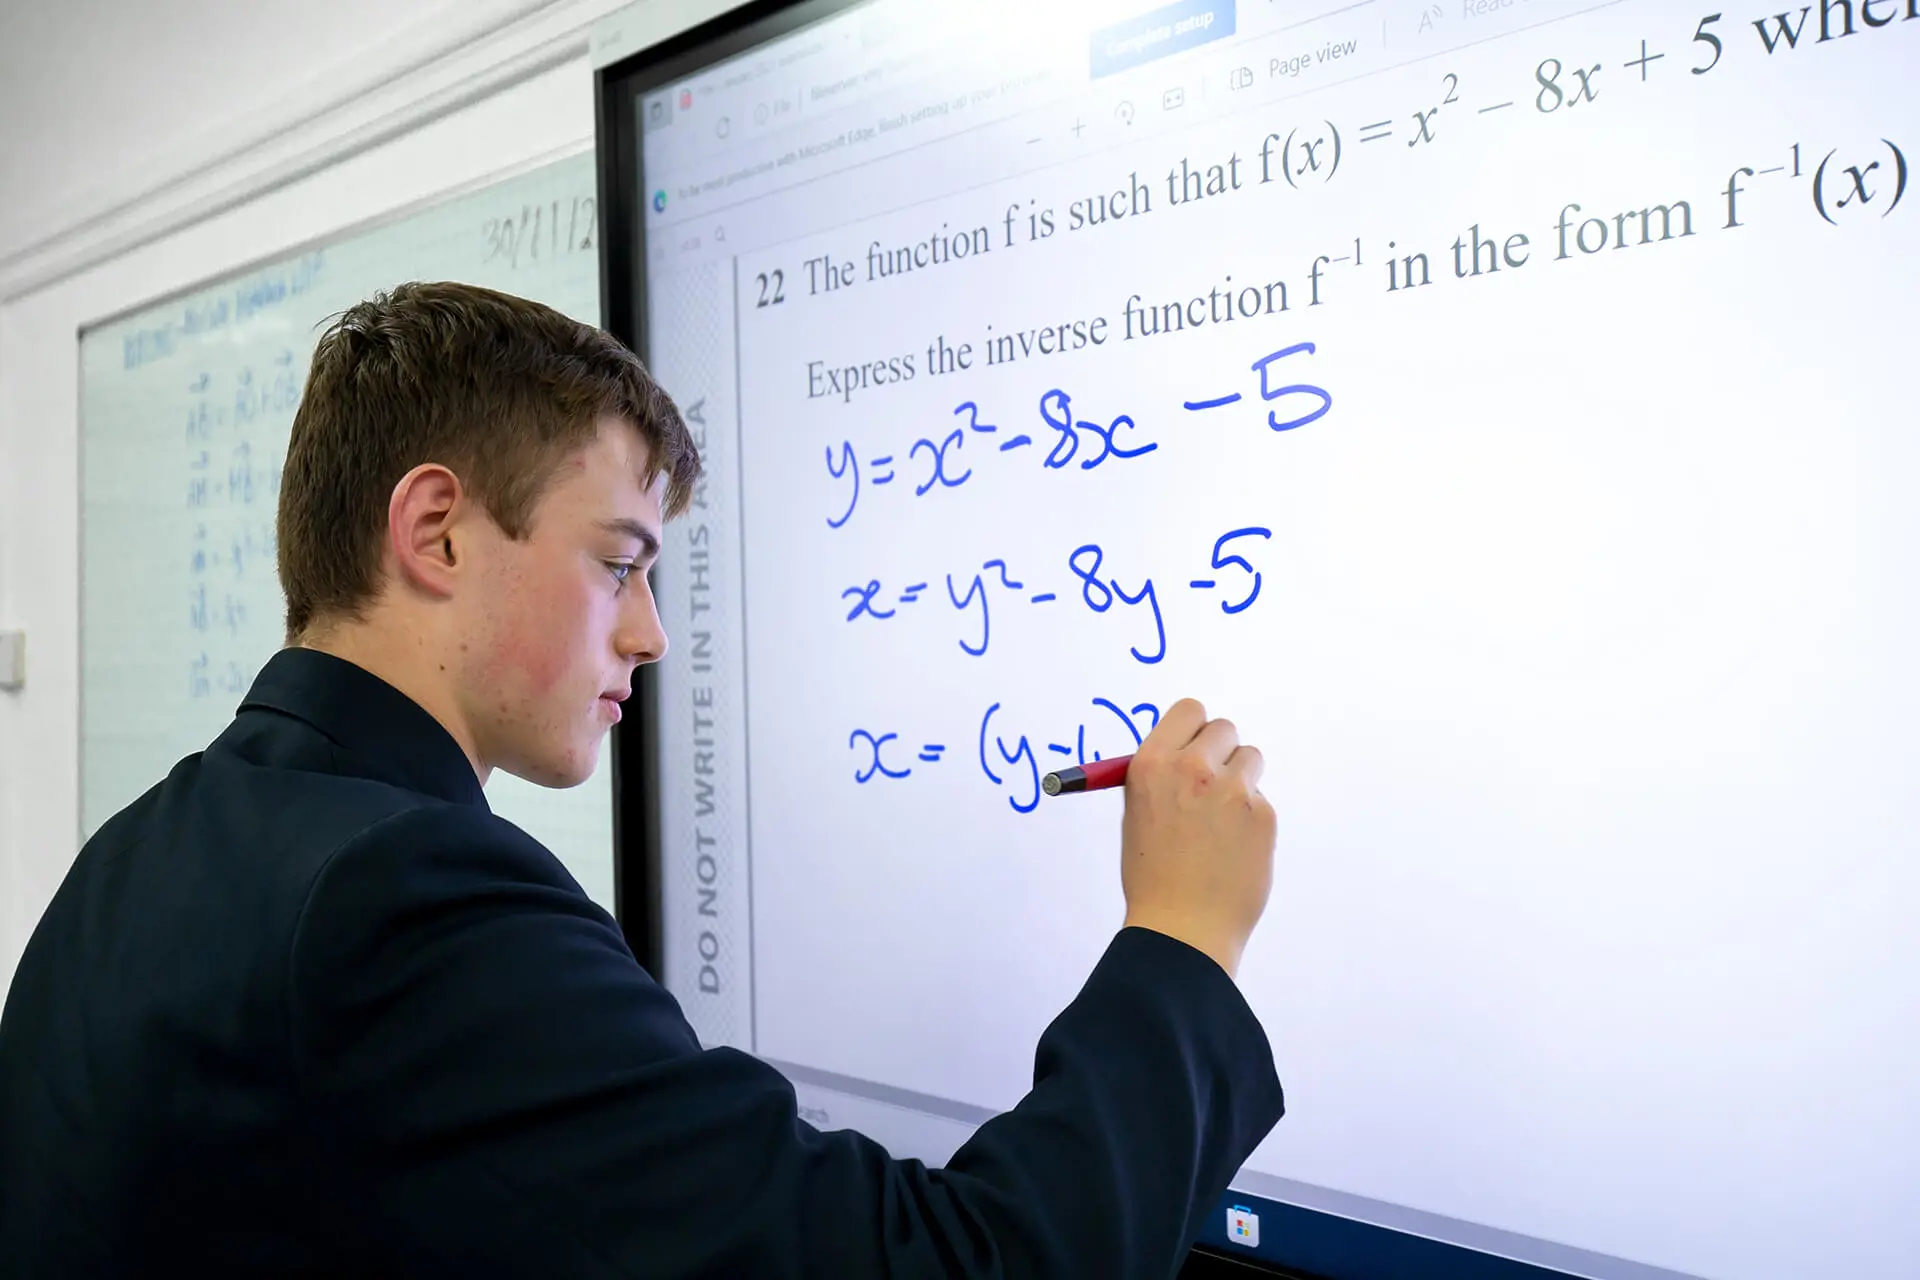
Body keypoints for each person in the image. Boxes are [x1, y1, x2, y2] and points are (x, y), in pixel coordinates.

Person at [0, 282, 1284, 1276]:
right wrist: (1181, 938)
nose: (650, 635)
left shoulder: (136, 852)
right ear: (435, 529)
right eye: (619, 563)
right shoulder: (409, 899)